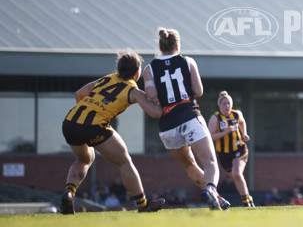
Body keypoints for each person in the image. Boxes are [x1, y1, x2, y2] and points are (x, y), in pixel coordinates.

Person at [60, 50, 165, 214]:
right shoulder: (133, 90)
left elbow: (79, 93)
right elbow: (155, 112)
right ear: (137, 72)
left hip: (70, 122)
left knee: (85, 158)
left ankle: (69, 193)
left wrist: (86, 118)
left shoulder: (108, 78)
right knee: (124, 161)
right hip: (93, 126)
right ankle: (143, 205)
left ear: (119, 68)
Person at [143, 27, 228, 210]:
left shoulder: (149, 68)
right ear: (177, 45)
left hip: (167, 126)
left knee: (190, 164)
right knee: (210, 162)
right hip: (189, 117)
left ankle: (216, 198)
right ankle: (212, 189)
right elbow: (198, 91)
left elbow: (150, 95)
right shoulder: (188, 61)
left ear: (160, 45)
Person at [208, 91, 255, 207]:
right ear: (219, 105)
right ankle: (248, 197)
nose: (227, 106)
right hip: (224, 154)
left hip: (239, 149)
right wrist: (225, 132)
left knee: (237, 173)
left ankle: (246, 203)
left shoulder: (237, 114)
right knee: (236, 179)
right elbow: (210, 136)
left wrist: (244, 134)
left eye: (229, 103)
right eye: (224, 104)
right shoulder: (215, 118)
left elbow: (242, 122)